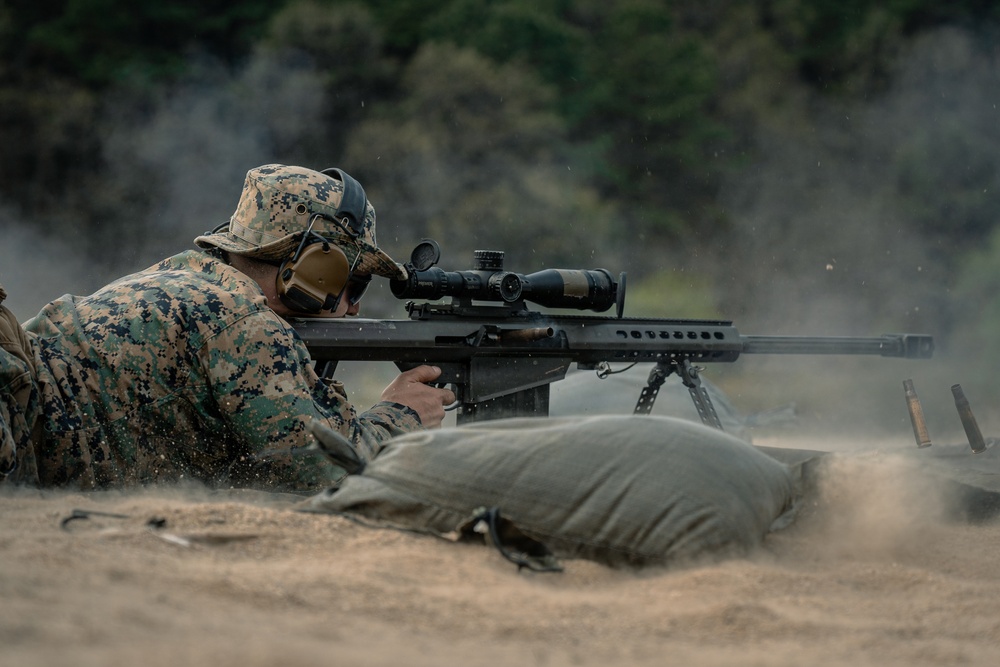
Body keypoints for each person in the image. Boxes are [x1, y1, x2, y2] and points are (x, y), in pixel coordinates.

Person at [0, 164, 454, 492]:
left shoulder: (185, 278)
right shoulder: (245, 323)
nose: (355, 309)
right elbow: (326, 472)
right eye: (355, 285)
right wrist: (399, 416)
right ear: (318, 270)